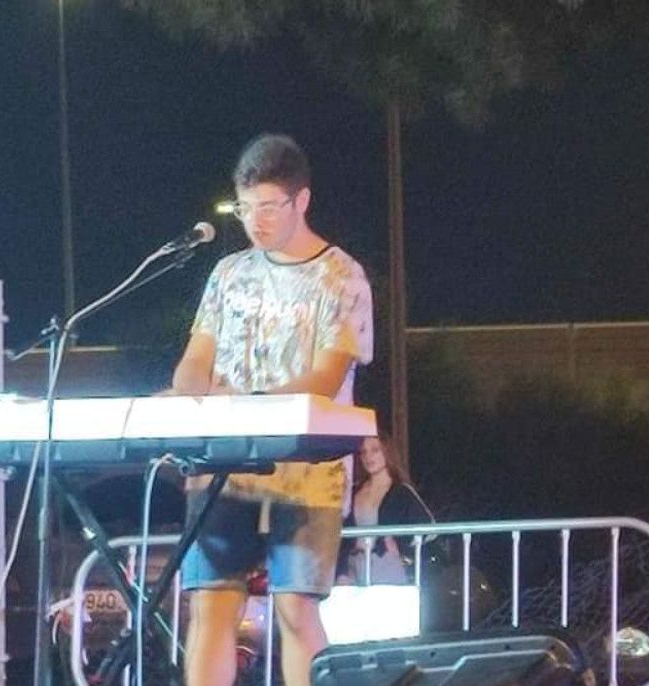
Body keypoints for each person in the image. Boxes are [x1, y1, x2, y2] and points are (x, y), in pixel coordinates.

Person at [171, 133, 374, 686]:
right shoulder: (229, 273)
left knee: (295, 607)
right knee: (211, 604)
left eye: (268, 207)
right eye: (245, 208)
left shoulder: (341, 276)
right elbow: (195, 359)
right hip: (224, 463)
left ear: (300, 201)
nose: (254, 221)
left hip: (309, 469)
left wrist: (248, 405)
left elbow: (326, 379)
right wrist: (190, 393)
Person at [337, 434, 434, 585]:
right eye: (364, 452)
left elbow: (429, 530)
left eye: (375, 450)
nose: (368, 456)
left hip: (385, 564)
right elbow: (343, 534)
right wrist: (341, 571)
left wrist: (400, 545)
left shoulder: (400, 491)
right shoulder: (354, 491)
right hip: (354, 566)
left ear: (387, 452)